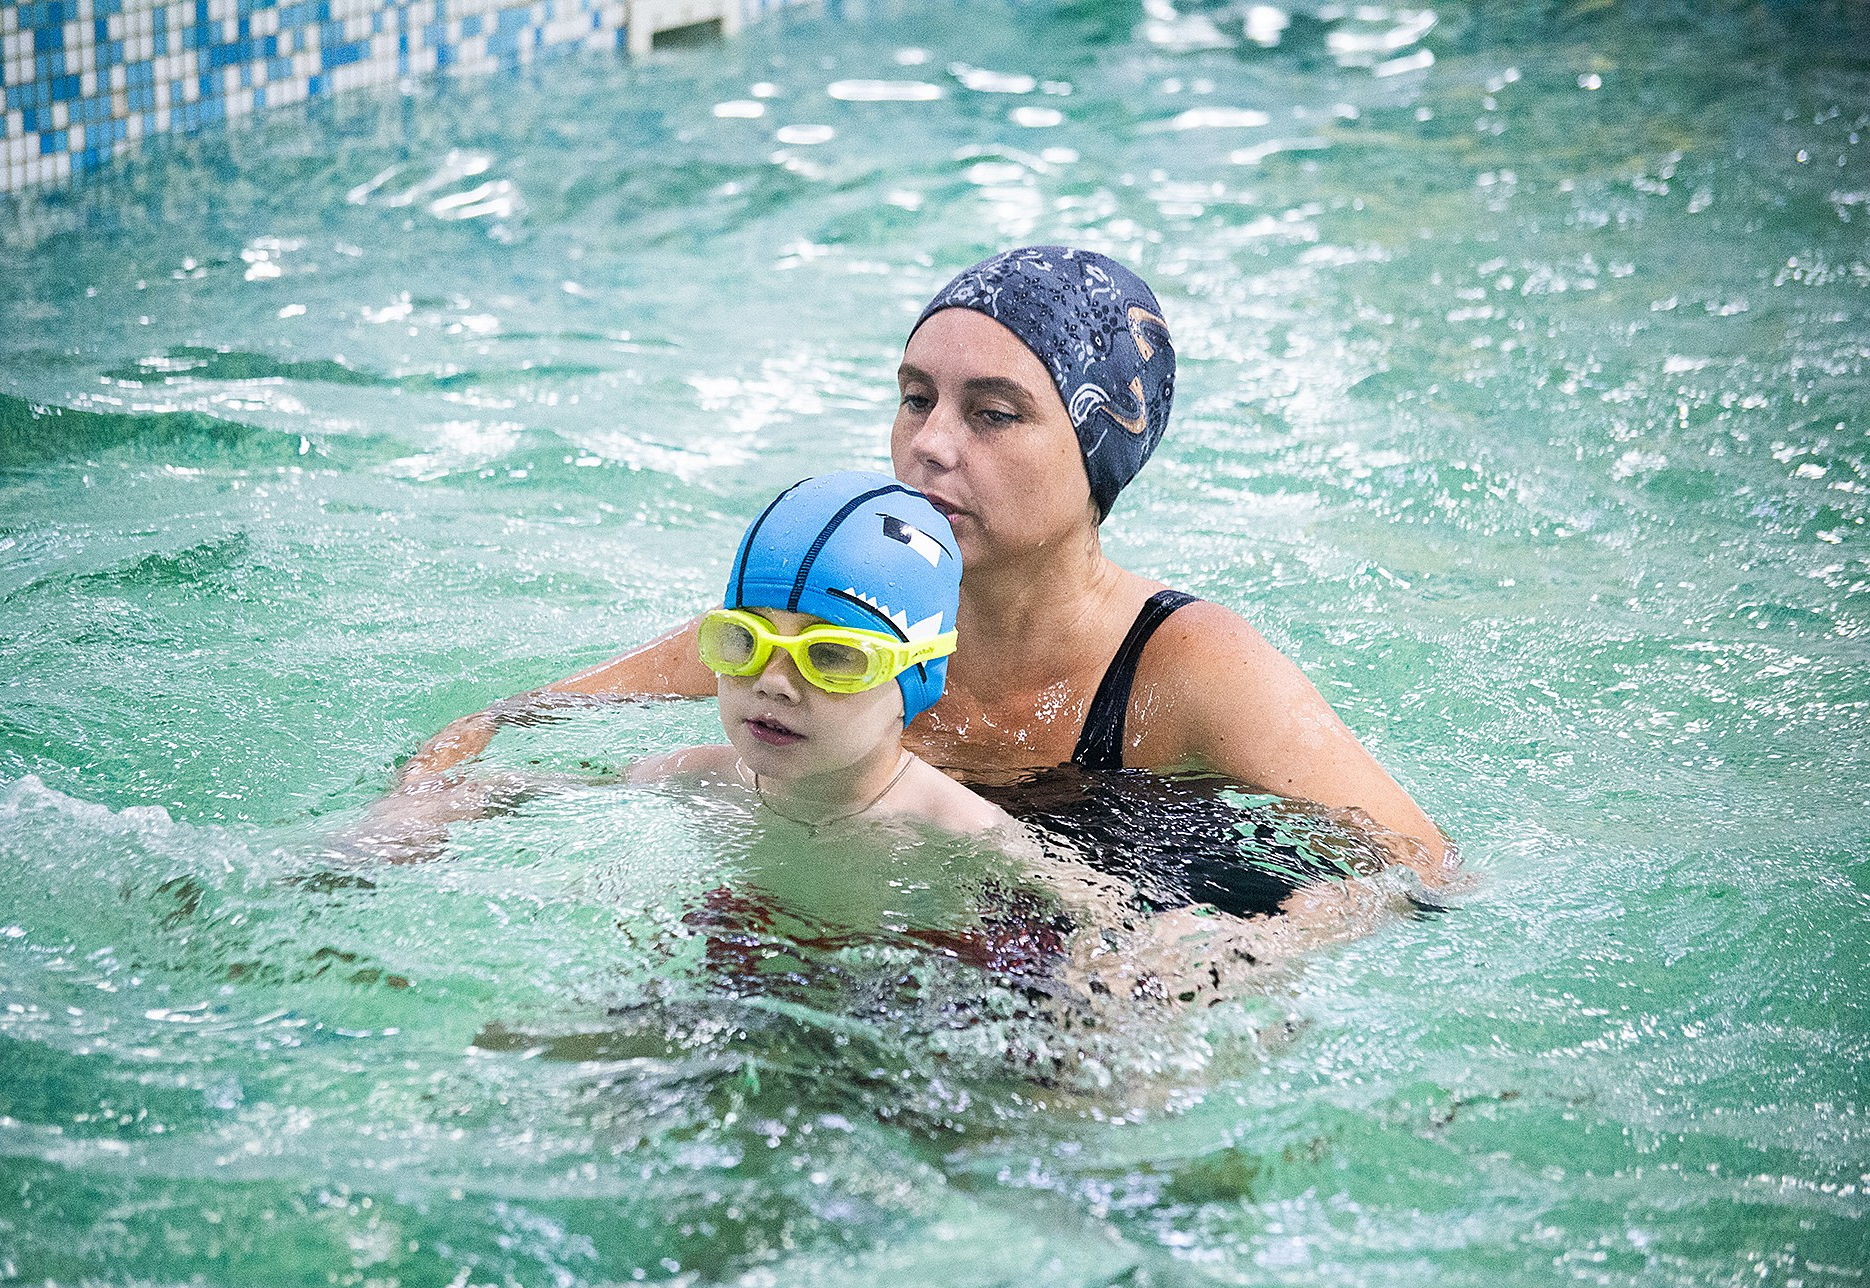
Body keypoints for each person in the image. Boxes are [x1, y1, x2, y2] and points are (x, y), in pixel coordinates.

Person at [391, 246, 1452, 884]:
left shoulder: (1186, 667)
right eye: (914, 397)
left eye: (992, 413)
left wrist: (1251, 953)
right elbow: (516, 719)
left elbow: (1422, 866)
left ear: (1094, 455)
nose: (929, 445)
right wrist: (408, 814)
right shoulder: (830, 611)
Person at [624, 469, 1008, 836]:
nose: (772, 682)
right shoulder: (686, 780)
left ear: (919, 672)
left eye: (829, 655)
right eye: (745, 640)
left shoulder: (966, 834)